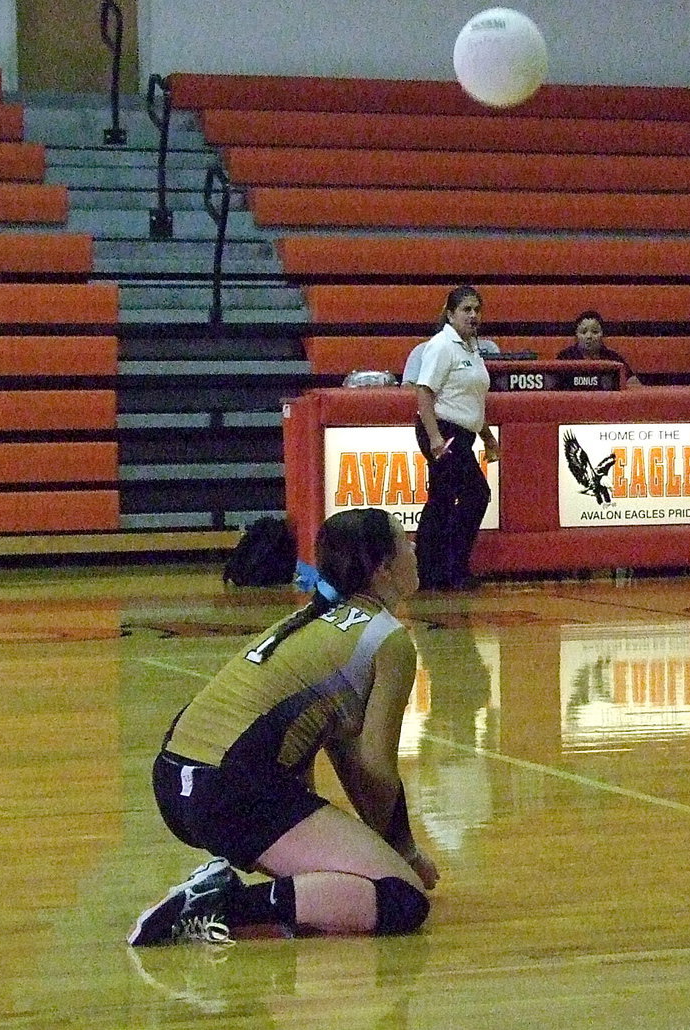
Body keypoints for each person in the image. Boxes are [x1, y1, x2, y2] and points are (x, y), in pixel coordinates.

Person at [129, 507, 437, 947]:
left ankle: (220, 896)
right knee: (401, 898)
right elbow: (376, 768)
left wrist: (391, 850)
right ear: (383, 568)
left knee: (344, 877)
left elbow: (347, 760)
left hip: (175, 781)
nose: (414, 548)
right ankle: (218, 906)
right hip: (228, 790)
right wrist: (402, 852)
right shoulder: (388, 639)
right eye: (404, 541)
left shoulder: (310, 617)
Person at [413, 285, 500, 590]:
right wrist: (435, 438)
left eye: (477, 309)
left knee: (442, 499)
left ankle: (434, 573)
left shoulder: (472, 348)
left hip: (462, 433)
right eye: (466, 309)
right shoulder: (442, 346)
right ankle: (449, 569)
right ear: (450, 314)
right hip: (443, 431)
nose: (473, 315)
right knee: (475, 494)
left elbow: (471, 401)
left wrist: (487, 437)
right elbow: (424, 392)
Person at [557, 310, 643, 386]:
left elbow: (633, 382)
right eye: (583, 332)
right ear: (576, 335)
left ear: (602, 335)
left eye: (595, 332)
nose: (589, 336)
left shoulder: (613, 358)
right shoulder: (565, 357)